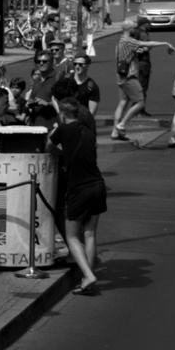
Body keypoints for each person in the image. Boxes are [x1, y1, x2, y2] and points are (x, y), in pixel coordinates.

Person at [51, 97, 107, 296]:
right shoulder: (89, 133)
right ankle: (87, 279)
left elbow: (48, 145)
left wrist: (61, 152)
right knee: (90, 234)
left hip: (78, 188)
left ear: (62, 114)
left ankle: (88, 275)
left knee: (72, 236)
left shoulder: (63, 130)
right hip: (98, 185)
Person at [114, 21, 174, 117]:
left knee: (122, 103)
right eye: (133, 28)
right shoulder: (129, 40)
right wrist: (164, 43)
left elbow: (122, 54)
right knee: (140, 102)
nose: (134, 30)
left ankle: (115, 130)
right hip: (129, 76)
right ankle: (122, 124)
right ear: (129, 30)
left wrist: (136, 51)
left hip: (120, 76)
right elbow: (146, 43)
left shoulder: (120, 41)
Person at [68, 56, 100, 120]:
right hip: (66, 119)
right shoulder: (66, 80)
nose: (77, 66)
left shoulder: (91, 86)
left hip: (82, 121)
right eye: (75, 64)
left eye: (80, 65)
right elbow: (54, 98)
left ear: (87, 66)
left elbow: (92, 111)